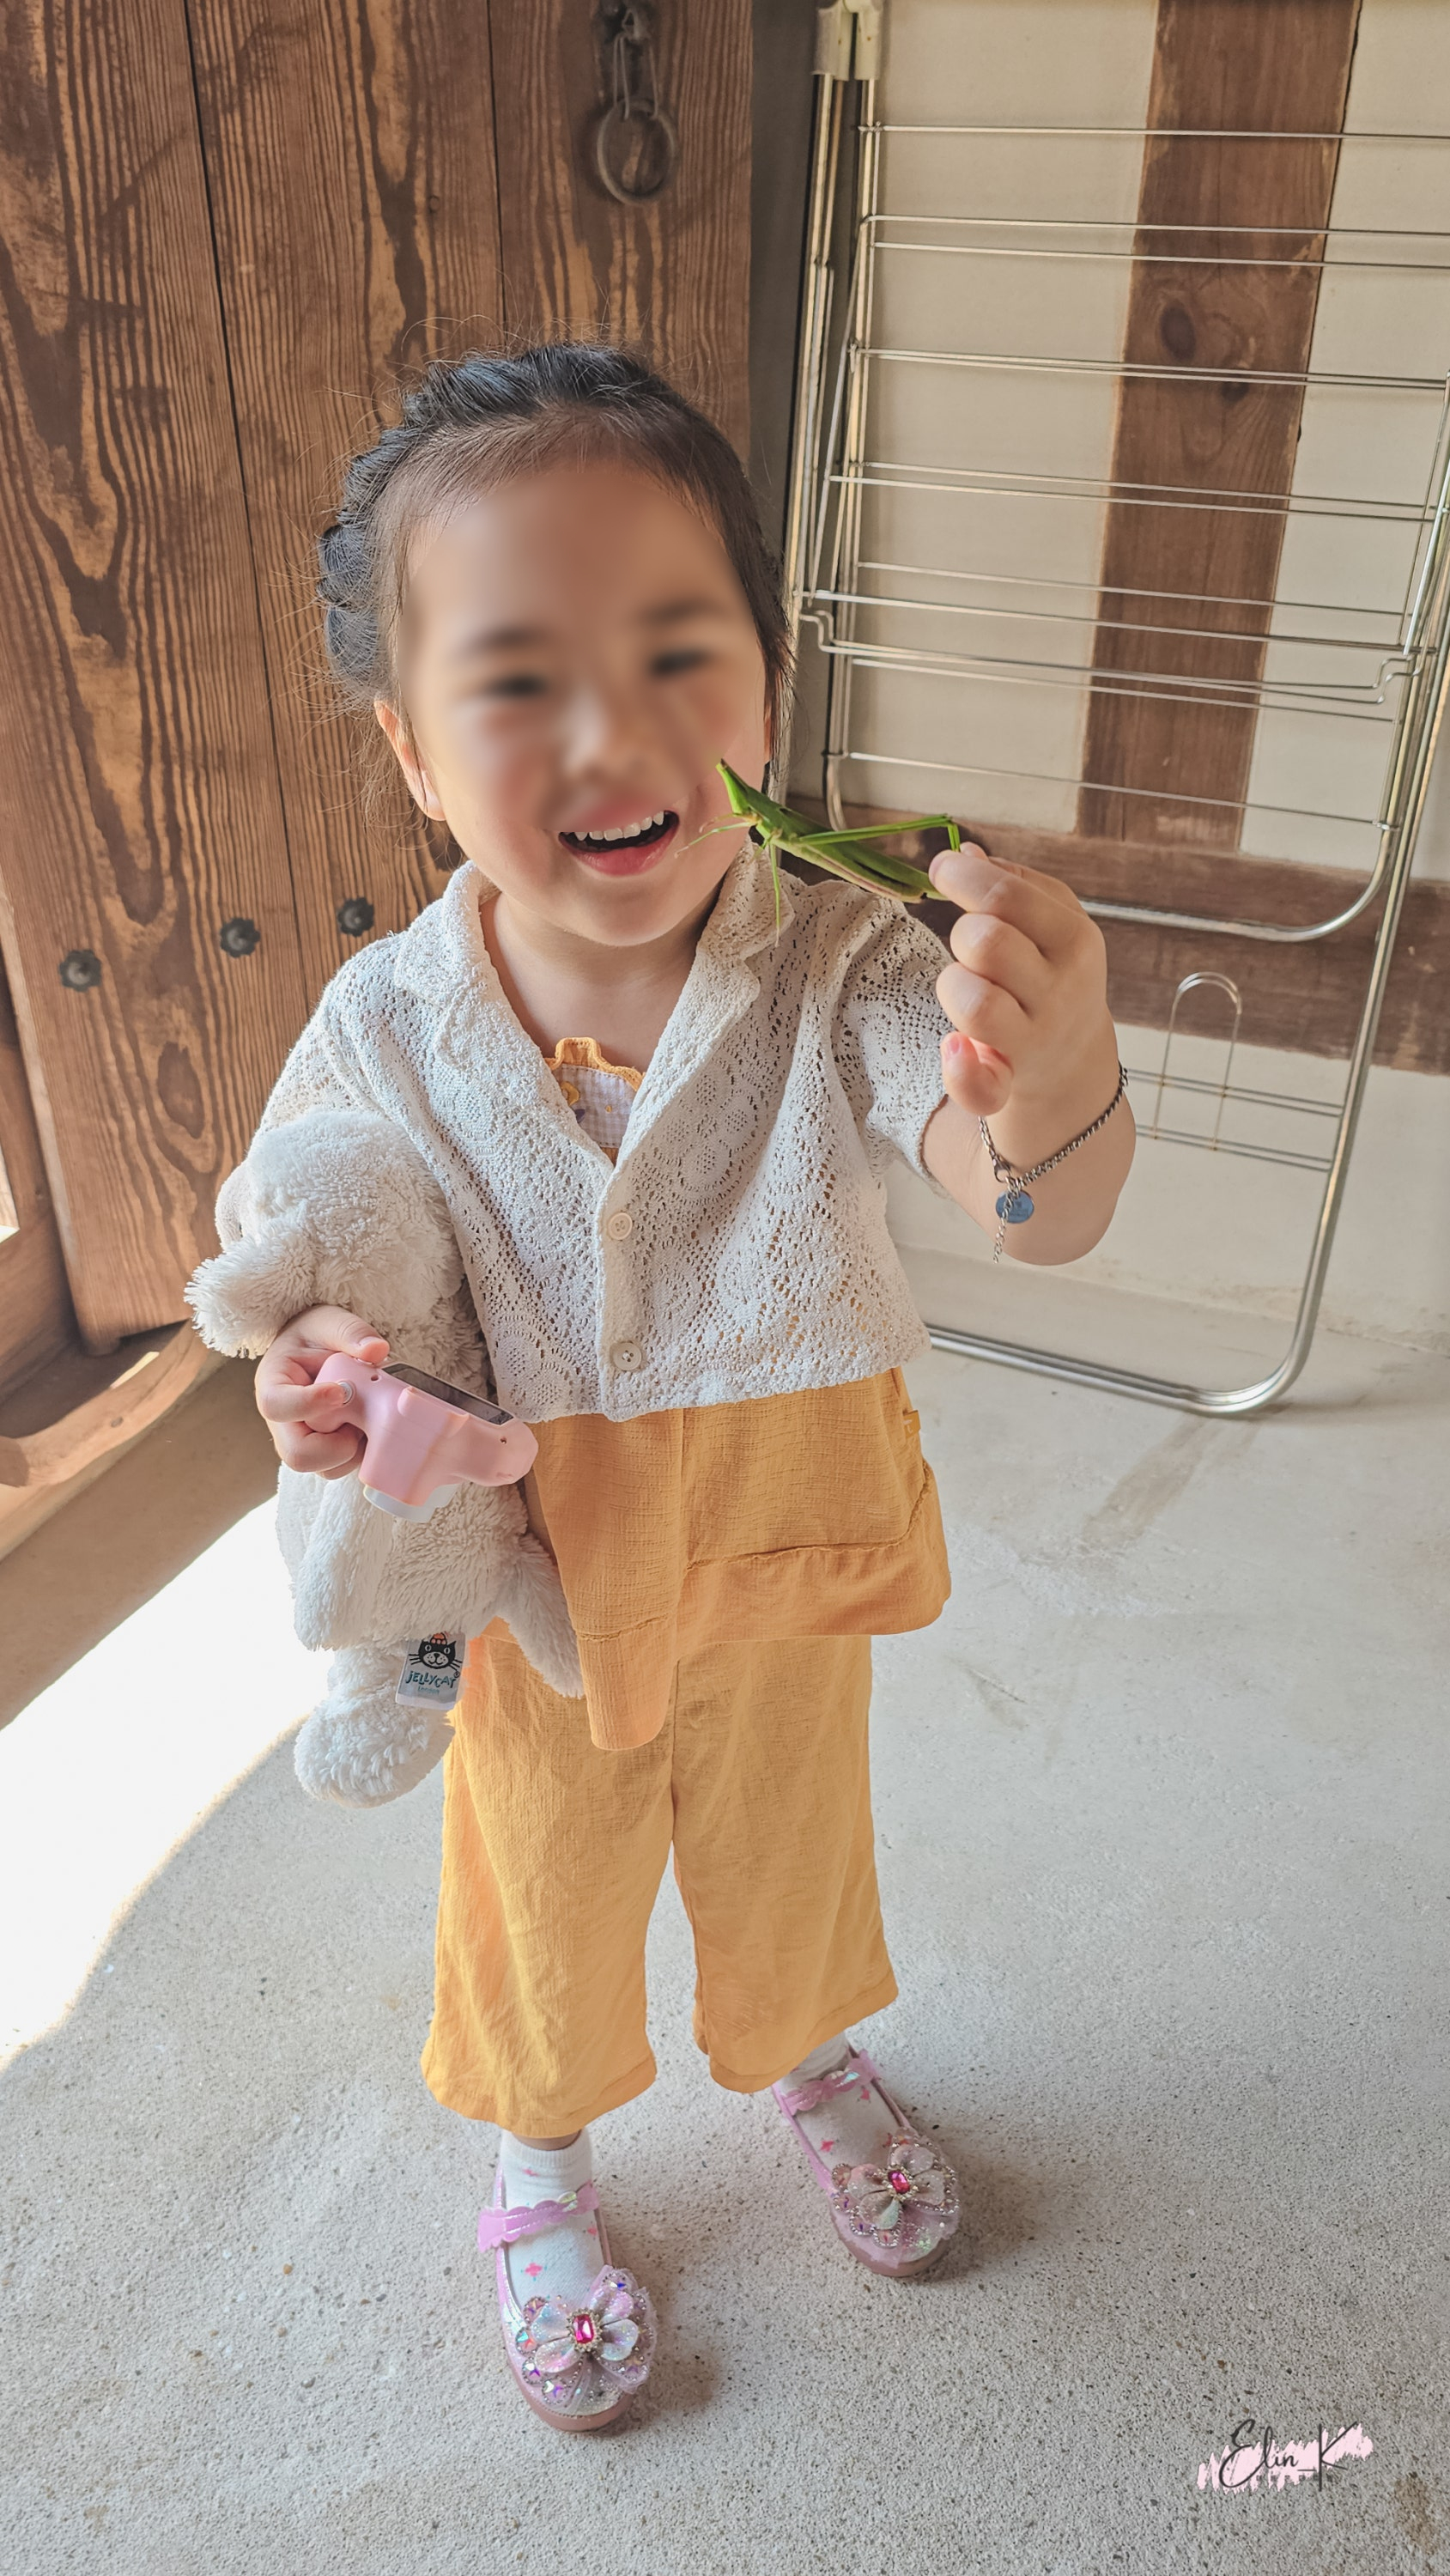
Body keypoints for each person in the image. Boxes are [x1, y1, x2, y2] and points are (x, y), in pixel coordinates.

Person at [249, 344, 1135, 2427]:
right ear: (404, 747)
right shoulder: (387, 1028)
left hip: (790, 1539)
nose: (613, 732)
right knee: (542, 1890)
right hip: (550, 1588)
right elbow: (319, 1253)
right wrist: (320, 1374)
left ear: (763, 682)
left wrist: (1056, 1083)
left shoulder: (838, 962)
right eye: (515, 678)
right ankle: (536, 2157)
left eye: (677, 653)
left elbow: (1019, 1200)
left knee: (791, 1842)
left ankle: (804, 2045)